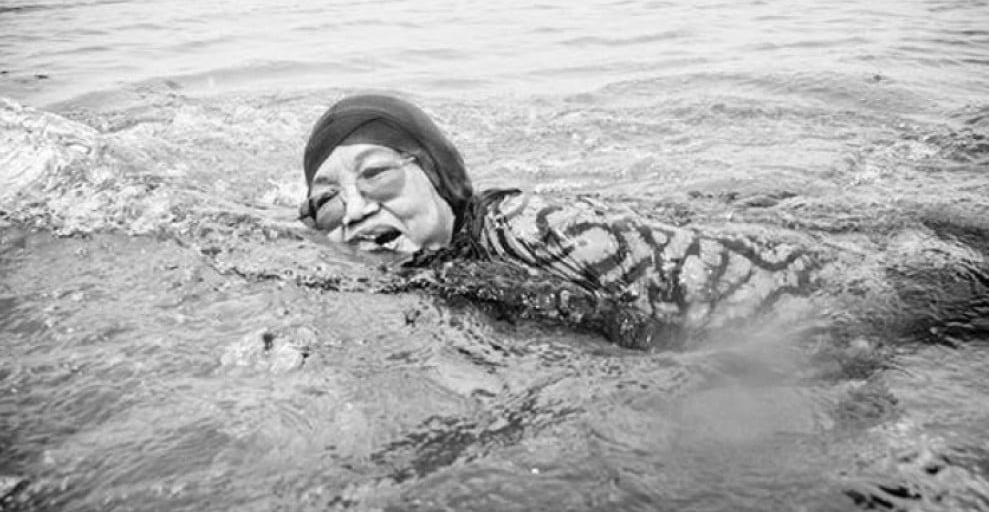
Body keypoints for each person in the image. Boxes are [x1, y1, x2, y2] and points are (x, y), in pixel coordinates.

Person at [300, 94, 818, 349]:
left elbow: (753, 283)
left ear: (439, 176)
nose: (356, 208)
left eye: (376, 176)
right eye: (329, 200)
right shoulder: (420, 261)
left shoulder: (529, 226)